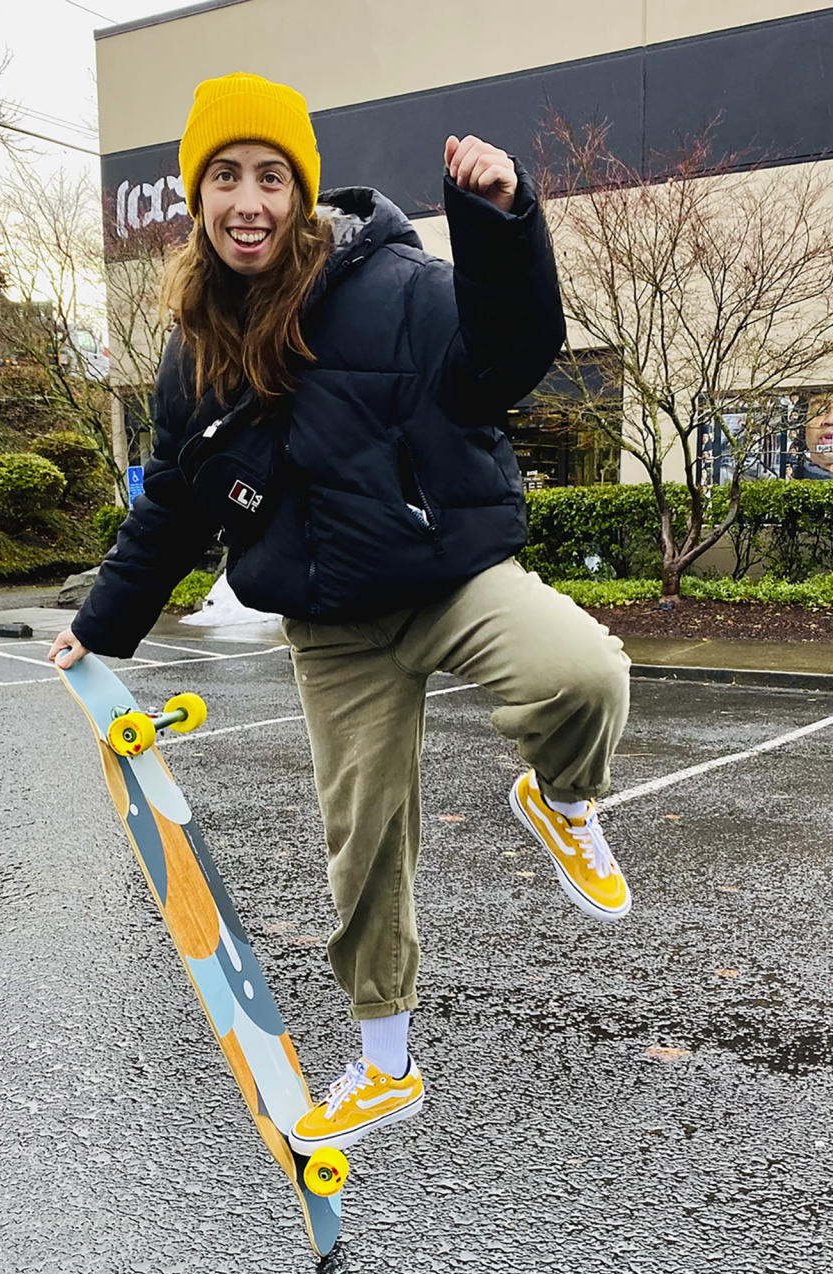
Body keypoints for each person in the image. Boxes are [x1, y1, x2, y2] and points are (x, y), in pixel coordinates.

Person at [49, 72, 632, 1157]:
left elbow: (506, 356)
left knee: (586, 674)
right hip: (332, 625)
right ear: (198, 199)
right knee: (364, 851)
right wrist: (104, 619)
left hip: (447, 576)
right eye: (225, 178)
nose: (249, 202)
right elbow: (173, 507)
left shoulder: (397, 284)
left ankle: (562, 798)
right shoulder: (192, 355)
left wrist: (501, 220)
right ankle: (383, 1068)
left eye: (271, 176)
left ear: (302, 190)